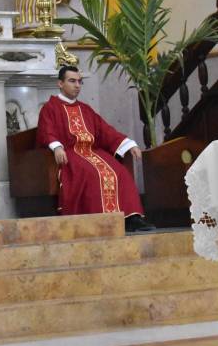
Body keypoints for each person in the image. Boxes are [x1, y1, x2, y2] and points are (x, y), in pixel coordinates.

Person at [37, 66, 154, 232]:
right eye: (72, 81)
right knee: (93, 173)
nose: (77, 85)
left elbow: (104, 130)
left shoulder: (85, 109)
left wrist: (128, 144)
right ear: (60, 83)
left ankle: (131, 218)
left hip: (93, 152)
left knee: (120, 172)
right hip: (70, 154)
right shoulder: (50, 108)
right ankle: (100, 222)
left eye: (80, 82)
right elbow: (46, 130)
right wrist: (56, 146)